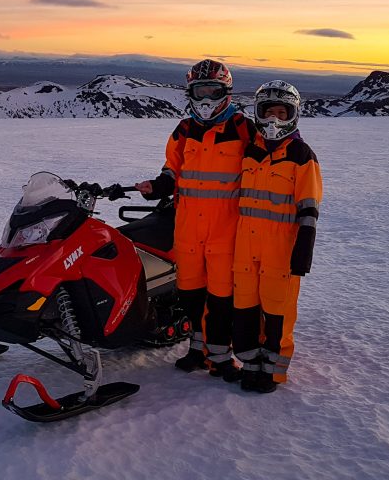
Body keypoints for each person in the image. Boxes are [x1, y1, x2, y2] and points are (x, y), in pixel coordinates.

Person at [135, 59, 255, 380]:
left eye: (211, 91)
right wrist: (159, 185)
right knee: (190, 296)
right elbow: (171, 167)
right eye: (199, 91)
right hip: (187, 230)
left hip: (225, 231)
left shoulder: (243, 129)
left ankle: (221, 359)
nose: (205, 99)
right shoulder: (184, 129)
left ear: (225, 91)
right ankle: (197, 350)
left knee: (220, 301)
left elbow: (263, 170)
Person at [232, 80, 322, 393]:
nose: (274, 119)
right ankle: (250, 363)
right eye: (268, 112)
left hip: (280, 249)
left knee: (277, 313)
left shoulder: (300, 155)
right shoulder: (250, 152)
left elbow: (309, 205)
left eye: (281, 113)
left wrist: (303, 249)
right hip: (245, 248)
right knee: (244, 309)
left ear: (293, 116)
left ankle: (272, 371)